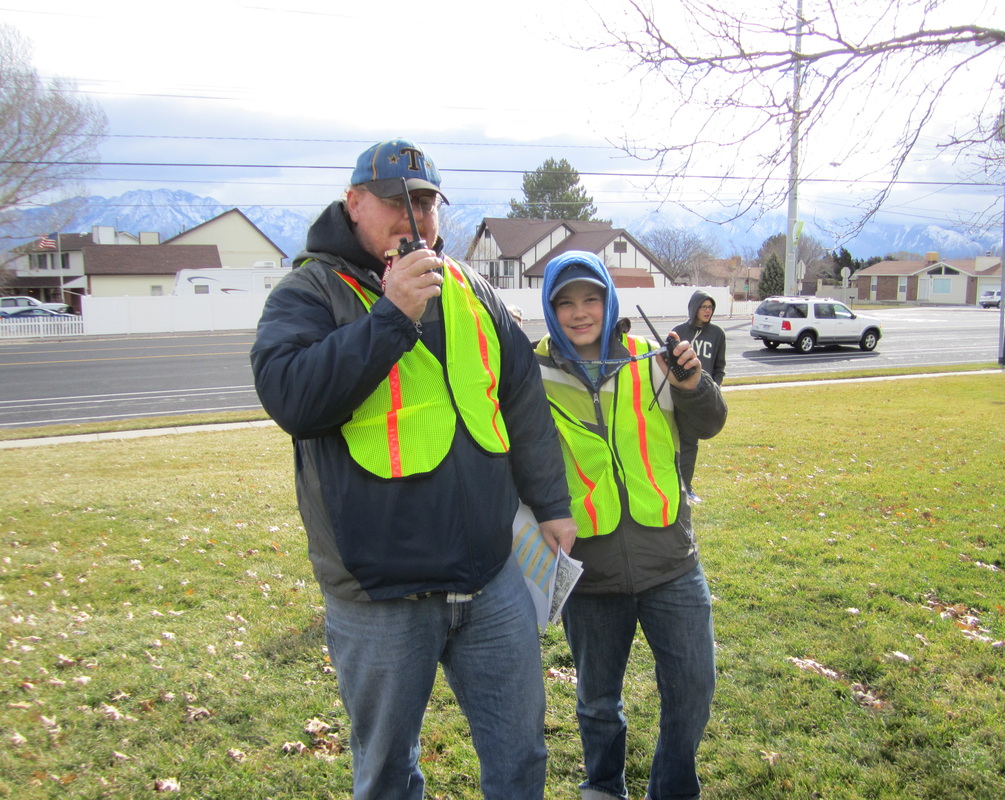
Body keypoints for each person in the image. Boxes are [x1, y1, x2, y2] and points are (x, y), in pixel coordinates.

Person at [250, 138, 577, 800]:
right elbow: (292, 399)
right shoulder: (311, 290)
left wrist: (551, 503)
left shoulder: (469, 288)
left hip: (490, 578)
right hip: (381, 594)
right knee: (387, 776)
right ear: (353, 204)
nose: (414, 217)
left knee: (521, 755)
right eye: (395, 201)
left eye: (425, 203)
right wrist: (391, 316)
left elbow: (522, 400)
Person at [534, 251, 727, 800]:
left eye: (590, 299)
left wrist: (692, 383)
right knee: (598, 701)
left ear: (610, 301)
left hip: (670, 559)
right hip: (589, 570)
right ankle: (603, 787)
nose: (579, 312)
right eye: (565, 302)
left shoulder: (651, 359)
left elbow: (710, 422)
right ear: (550, 309)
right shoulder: (532, 372)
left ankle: (672, 789)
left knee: (693, 687)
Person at [671, 290, 727, 504]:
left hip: (701, 399)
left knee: (690, 442)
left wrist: (713, 389)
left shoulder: (717, 334)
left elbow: (720, 367)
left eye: (710, 307)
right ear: (694, 308)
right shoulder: (679, 331)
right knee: (670, 440)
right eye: (703, 306)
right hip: (678, 395)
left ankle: (687, 487)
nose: (707, 311)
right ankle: (670, 485)